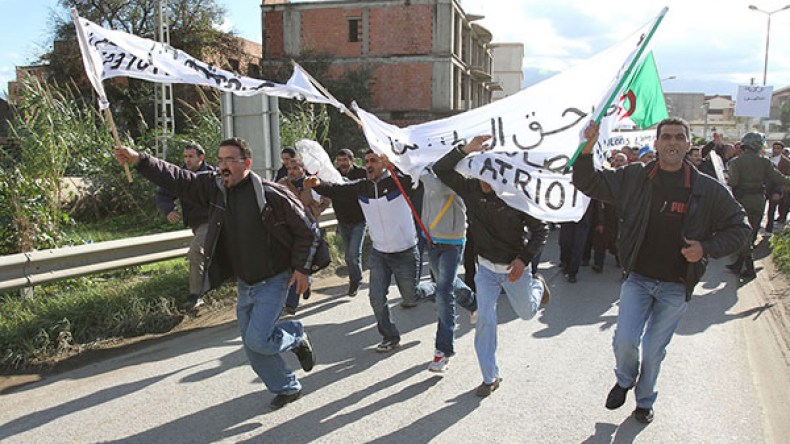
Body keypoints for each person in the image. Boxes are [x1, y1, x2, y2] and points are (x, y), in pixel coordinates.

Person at [112, 137, 318, 410]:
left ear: (246, 163)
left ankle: (294, 335)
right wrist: (139, 159)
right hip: (246, 282)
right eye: (220, 160)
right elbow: (179, 179)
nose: (222, 166)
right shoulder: (216, 188)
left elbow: (309, 231)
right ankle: (287, 387)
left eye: (230, 160)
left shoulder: (271, 194)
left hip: (274, 279)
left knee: (258, 339)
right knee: (252, 346)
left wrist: (303, 269)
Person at [573, 118, 750, 424]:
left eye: (679, 137)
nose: (672, 142)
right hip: (638, 278)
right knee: (625, 341)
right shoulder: (633, 176)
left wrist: (705, 248)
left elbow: (741, 227)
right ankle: (625, 380)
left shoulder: (707, 189)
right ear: (655, 144)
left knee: (654, 351)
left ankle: (644, 400)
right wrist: (587, 146)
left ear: (688, 144)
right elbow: (588, 181)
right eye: (666, 137)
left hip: (676, 284)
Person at [433, 135, 550, 397]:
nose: (487, 181)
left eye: (492, 173)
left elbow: (541, 229)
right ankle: (490, 376)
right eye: (483, 171)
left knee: (527, 313)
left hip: (514, 269)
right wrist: (465, 149)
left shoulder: (516, 194)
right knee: (485, 319)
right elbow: (440, 170)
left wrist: (523, 260)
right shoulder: (471, 189)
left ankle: (538, 287)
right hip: (486, 269)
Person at [305, 150, 419, 353]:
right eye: (366, 161)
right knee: (376, 297)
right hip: (379, 252)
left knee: (412, 296)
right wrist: (318, 185)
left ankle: (444, 288)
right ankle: (390, 337)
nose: (368, 165)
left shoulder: (398, 183)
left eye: (373, 161)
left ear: (383, 164)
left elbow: (414, 179)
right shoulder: (362, 187)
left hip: (404, 251)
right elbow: (338, 189)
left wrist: (395, 168)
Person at [416, 166, 478, 373]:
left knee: (443, 293)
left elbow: (441, 189)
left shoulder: (460, 173)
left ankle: (442, 351)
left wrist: (417, 169)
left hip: (452, 242)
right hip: (432, 239)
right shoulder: (427, 170)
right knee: (448, 284)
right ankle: (473, 302)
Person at [155, 143, 215, 309]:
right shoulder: (180, 176)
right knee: (207, 257)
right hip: (196, 223)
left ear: (200, 157)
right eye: (185, 157)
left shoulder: (212, 174)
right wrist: (168, 210)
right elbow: (162, 194)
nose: (187, 160)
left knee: (195, 252)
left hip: (213, 221)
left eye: (191, 156)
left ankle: (195, 295)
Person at [726, 132, 790, 279]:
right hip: (759, 200)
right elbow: (780, 179)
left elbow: (733, 182)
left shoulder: (736, 162)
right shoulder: (765, 162)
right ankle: (739, 264)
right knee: (751, 232)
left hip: (742, 200)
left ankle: (749, 268)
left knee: (742, 232)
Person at [278, 156, 330, 315]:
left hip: (309, 229)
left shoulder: (312, 183)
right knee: (294, 264)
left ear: (302, 169)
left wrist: (316, 209)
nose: (292, 172)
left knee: (305, 262)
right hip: (290, 230)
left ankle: (293, 300)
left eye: (295, 169)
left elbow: (326, 197)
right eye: (289, 169)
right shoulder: (283, 184)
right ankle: (292, 301)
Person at [333, 148, 368, 296]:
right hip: (342, 219)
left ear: (352, 161)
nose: (342, 164)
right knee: (348, 255)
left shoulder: (361, 173)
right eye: (340, 161)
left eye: (345, 160)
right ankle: (354, 278)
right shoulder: (333, 174)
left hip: (359, 219)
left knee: (354, 253)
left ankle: (356, 280)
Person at [765, 141, 787, 236]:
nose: (776, 150)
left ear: (782, 150)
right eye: (774, 148)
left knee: (772, 209)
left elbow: (785, 177)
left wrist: (780, 190)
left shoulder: (786, 162)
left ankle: (769, 229)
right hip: (765, 187)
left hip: (777, 188)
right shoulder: (767, 159)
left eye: (778, 148)